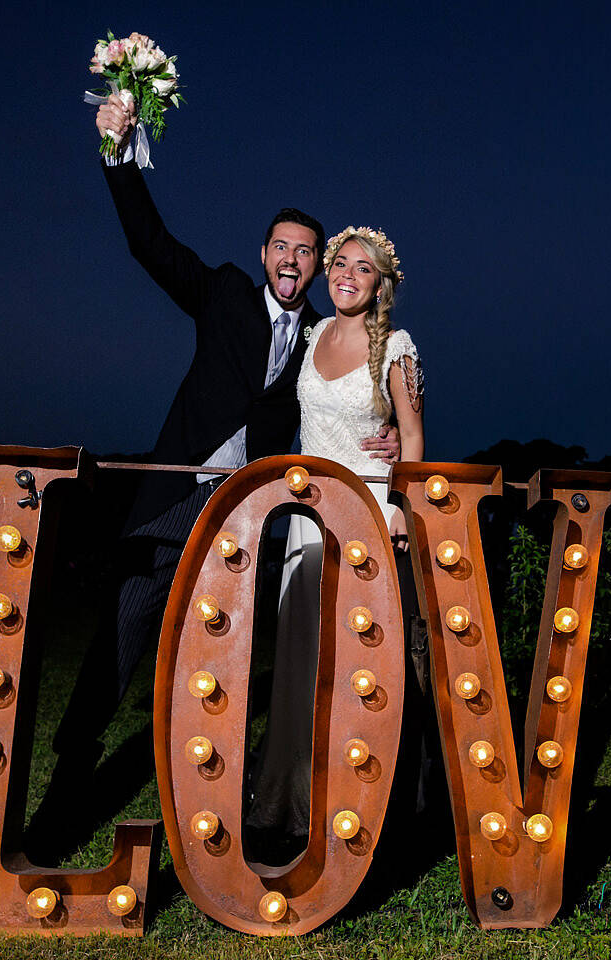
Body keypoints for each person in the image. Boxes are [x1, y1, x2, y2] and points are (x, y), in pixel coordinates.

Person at [31, 95, 400, 860]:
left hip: (243, 526)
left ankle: (212, 828)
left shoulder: (322, 342)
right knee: (119, 647)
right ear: (263, 254)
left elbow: (351, 394)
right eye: (282, 248)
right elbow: (149, 243)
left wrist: (388, 428)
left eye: (307, 251)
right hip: (172, 507)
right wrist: (118, 154)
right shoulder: (223, 292)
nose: (293, 261)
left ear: (317, 262)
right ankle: (60, 806)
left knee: (217, 670)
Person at [243, 226, 428, 860]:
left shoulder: (396, 348)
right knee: (299, 660)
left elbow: (414, 437)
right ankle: (290, 800)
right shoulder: (315, 334)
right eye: (340, 264)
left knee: (359, 662)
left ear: (381, 285)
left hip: (366, 515)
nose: (348, 274)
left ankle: (361, 801)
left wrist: (400, 497)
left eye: (364, 269)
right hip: (305, 518)